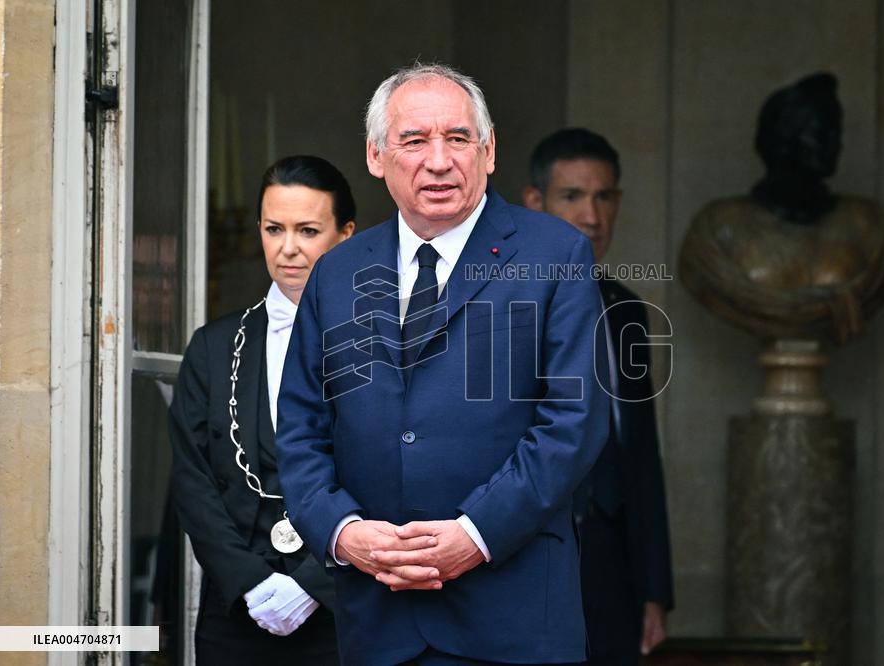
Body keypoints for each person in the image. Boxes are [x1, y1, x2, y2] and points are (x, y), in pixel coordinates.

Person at [276, 63, 610, 665]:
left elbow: (573, 423)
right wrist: (344, 533)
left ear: (489, 152)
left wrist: (475, 534)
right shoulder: (338, 272)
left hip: (511, 617)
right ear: (376, 156)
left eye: (458, 138)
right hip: (378, 620)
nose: (438, 161)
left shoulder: (556, 255)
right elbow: (300, 429)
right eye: (414, 140)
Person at [169, 155, 355, 664]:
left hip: (343, 608)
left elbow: (393, 471)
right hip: (236, 612)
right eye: (274, 229)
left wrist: (313, 584)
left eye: (308, 230)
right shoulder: (213, 345)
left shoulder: (382, 343)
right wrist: (248, 581)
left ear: (345, 235)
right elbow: (192, 480)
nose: (288, 248)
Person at [523, 128, 675, 665]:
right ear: (535, 203)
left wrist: (654, 589)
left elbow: (642, 454)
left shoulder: (627, 310)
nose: (592, 216)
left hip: (614, 572)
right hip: (526, 563)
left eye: (603, 197)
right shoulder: (501, 305)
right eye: (572, 196)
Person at [679, 72, 884, 346]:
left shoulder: (869, 226)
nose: (836, 144)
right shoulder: (718, 227)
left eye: (838, 133)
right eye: (821, 133)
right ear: (784, 138)